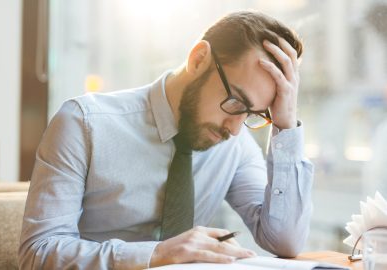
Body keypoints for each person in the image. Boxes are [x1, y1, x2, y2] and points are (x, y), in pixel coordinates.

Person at [19, 11, 314, 270]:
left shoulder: (234, 146)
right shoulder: (83, 124)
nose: (235, 129)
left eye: (253, 113)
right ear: (198, 60)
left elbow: (285, 241)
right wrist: (157, 254)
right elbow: (37, 255)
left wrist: (285, 124)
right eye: (236, 102)